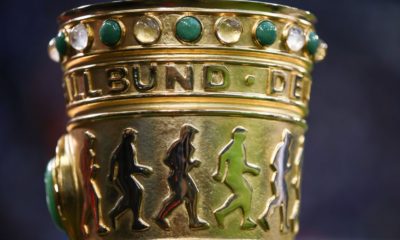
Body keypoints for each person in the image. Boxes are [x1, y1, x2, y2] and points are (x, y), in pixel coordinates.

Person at [155, 124, 209, 231]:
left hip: (184, 175)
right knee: (178, 197)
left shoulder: (190, 148)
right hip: (176, 176)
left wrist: (192, 163)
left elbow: (187, 163)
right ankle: (160, 217)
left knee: (192, 193)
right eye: (192, 134)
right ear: (187, 134)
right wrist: (175, 167)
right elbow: (166, 159)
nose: (193, 137)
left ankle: (194, 221)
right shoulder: (177, 145)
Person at [213, 127, 260, 230]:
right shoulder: (234, 146)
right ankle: (222, 213)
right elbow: (223, 156)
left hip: (237, 175)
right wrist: (220, 172)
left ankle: (245, 219)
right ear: (237, 135)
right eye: (243, 134)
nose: (244, 136)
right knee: (245, 193)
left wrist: (252, 169)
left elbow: (241, 165)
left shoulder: (241, 146)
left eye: (245, 135)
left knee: (247, 192)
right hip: (232, 177)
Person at [108, 128, 153, 231]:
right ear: (130, 137)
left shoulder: (125, 147)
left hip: (124, 177)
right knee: (134, 194)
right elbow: (130, 167)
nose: (135, 137)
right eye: (134, 136)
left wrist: (111, 174)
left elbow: (113, 159)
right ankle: (133, 220)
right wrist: (143, 170)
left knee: (134, 194)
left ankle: (132, 219)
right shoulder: (127, 148)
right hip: (123, 178)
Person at [258, 130, 293, 232]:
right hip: (278, 178)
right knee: (281, 199)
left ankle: (281, 223)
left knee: (282, 200)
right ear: (286, 139)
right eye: (288, 139)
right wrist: (281, 170)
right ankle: (268, 218)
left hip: (281, 177)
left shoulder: (287, 150)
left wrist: (286, 169)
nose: (289, 141)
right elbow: (273, 163)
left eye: (290, 140)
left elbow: (281, 165)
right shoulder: (282, 148)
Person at [80, 131, 109, 235]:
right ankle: (96, 225)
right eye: (90, 141)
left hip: (89, 181)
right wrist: (94, 170)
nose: (92, 143)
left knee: (89, 204)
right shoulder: (86, 153)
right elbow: (85, 170)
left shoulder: (88, 152)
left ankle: (85, 226)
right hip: (88, 182)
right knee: (94, 201)